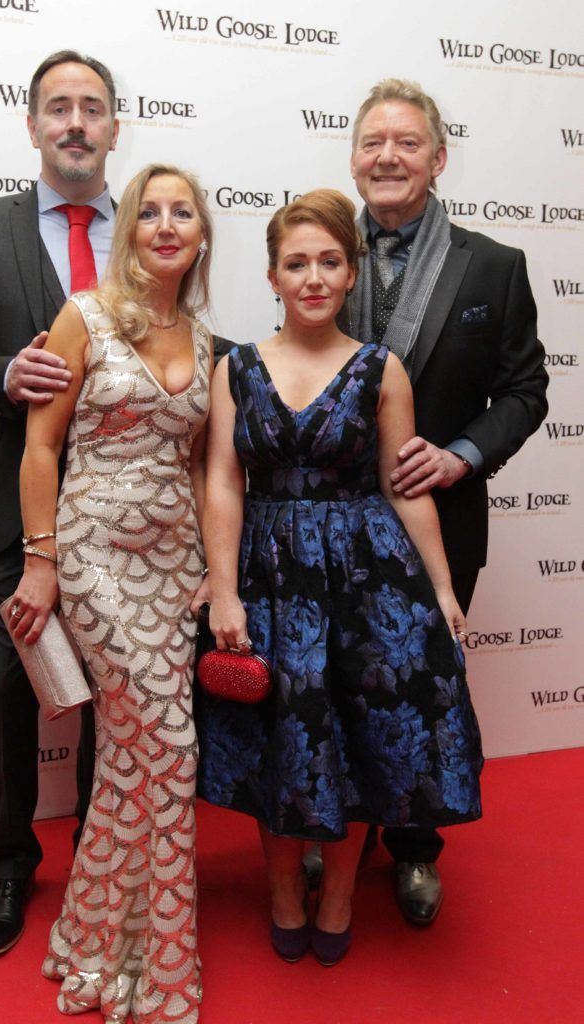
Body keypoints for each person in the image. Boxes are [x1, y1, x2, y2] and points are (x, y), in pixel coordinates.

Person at [195, 190, 483, 967]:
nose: (313, 277)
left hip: (366, 578)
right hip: (269, 574)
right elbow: (222, 481)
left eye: (329, 261)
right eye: (297, 263)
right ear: (272, 275)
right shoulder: (237, 368)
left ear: (351, 274)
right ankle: (284, 890)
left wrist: (445, 590)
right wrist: (223, 589)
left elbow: (403, 486)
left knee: (355, 742)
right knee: (273, 739)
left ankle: (342, 892)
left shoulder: (380, 368)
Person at [0, 50, 120, 956]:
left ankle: (96, 853)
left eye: (91, 107)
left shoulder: (155, 230)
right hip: (13, 518)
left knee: (110, 701)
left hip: (126, 526)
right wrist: (5, 374)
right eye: (57, 108)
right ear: (33, 124)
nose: (74, 122)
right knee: (8, 691)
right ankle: (11, 864)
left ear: (114, 124)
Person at [342, 78, 548, 925]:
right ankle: (330, 831)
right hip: (330, 522)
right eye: (372, 142)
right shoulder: (320, 251)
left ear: (438, 156)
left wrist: (462, 455)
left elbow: (525, 391)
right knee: (333, 682)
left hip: (442, 520)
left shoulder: (493, 267)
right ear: (353, 158)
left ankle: (417, 849)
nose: (388, 156)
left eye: (406, 142)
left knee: (425, 691)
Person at [10, 163, 212, 1023]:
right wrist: (42, 561)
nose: (167, 226)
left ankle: (93, 945)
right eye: (151, 212)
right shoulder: (83, 316)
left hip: (174, 572)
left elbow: (201, 465)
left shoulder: (207, 339)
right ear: (128, 226)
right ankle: (158, 964)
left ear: (202, 235)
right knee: (168, 748)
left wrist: (212, 567)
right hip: (94, 558)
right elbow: (40, 447)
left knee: (131, 766)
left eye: (185, 214)